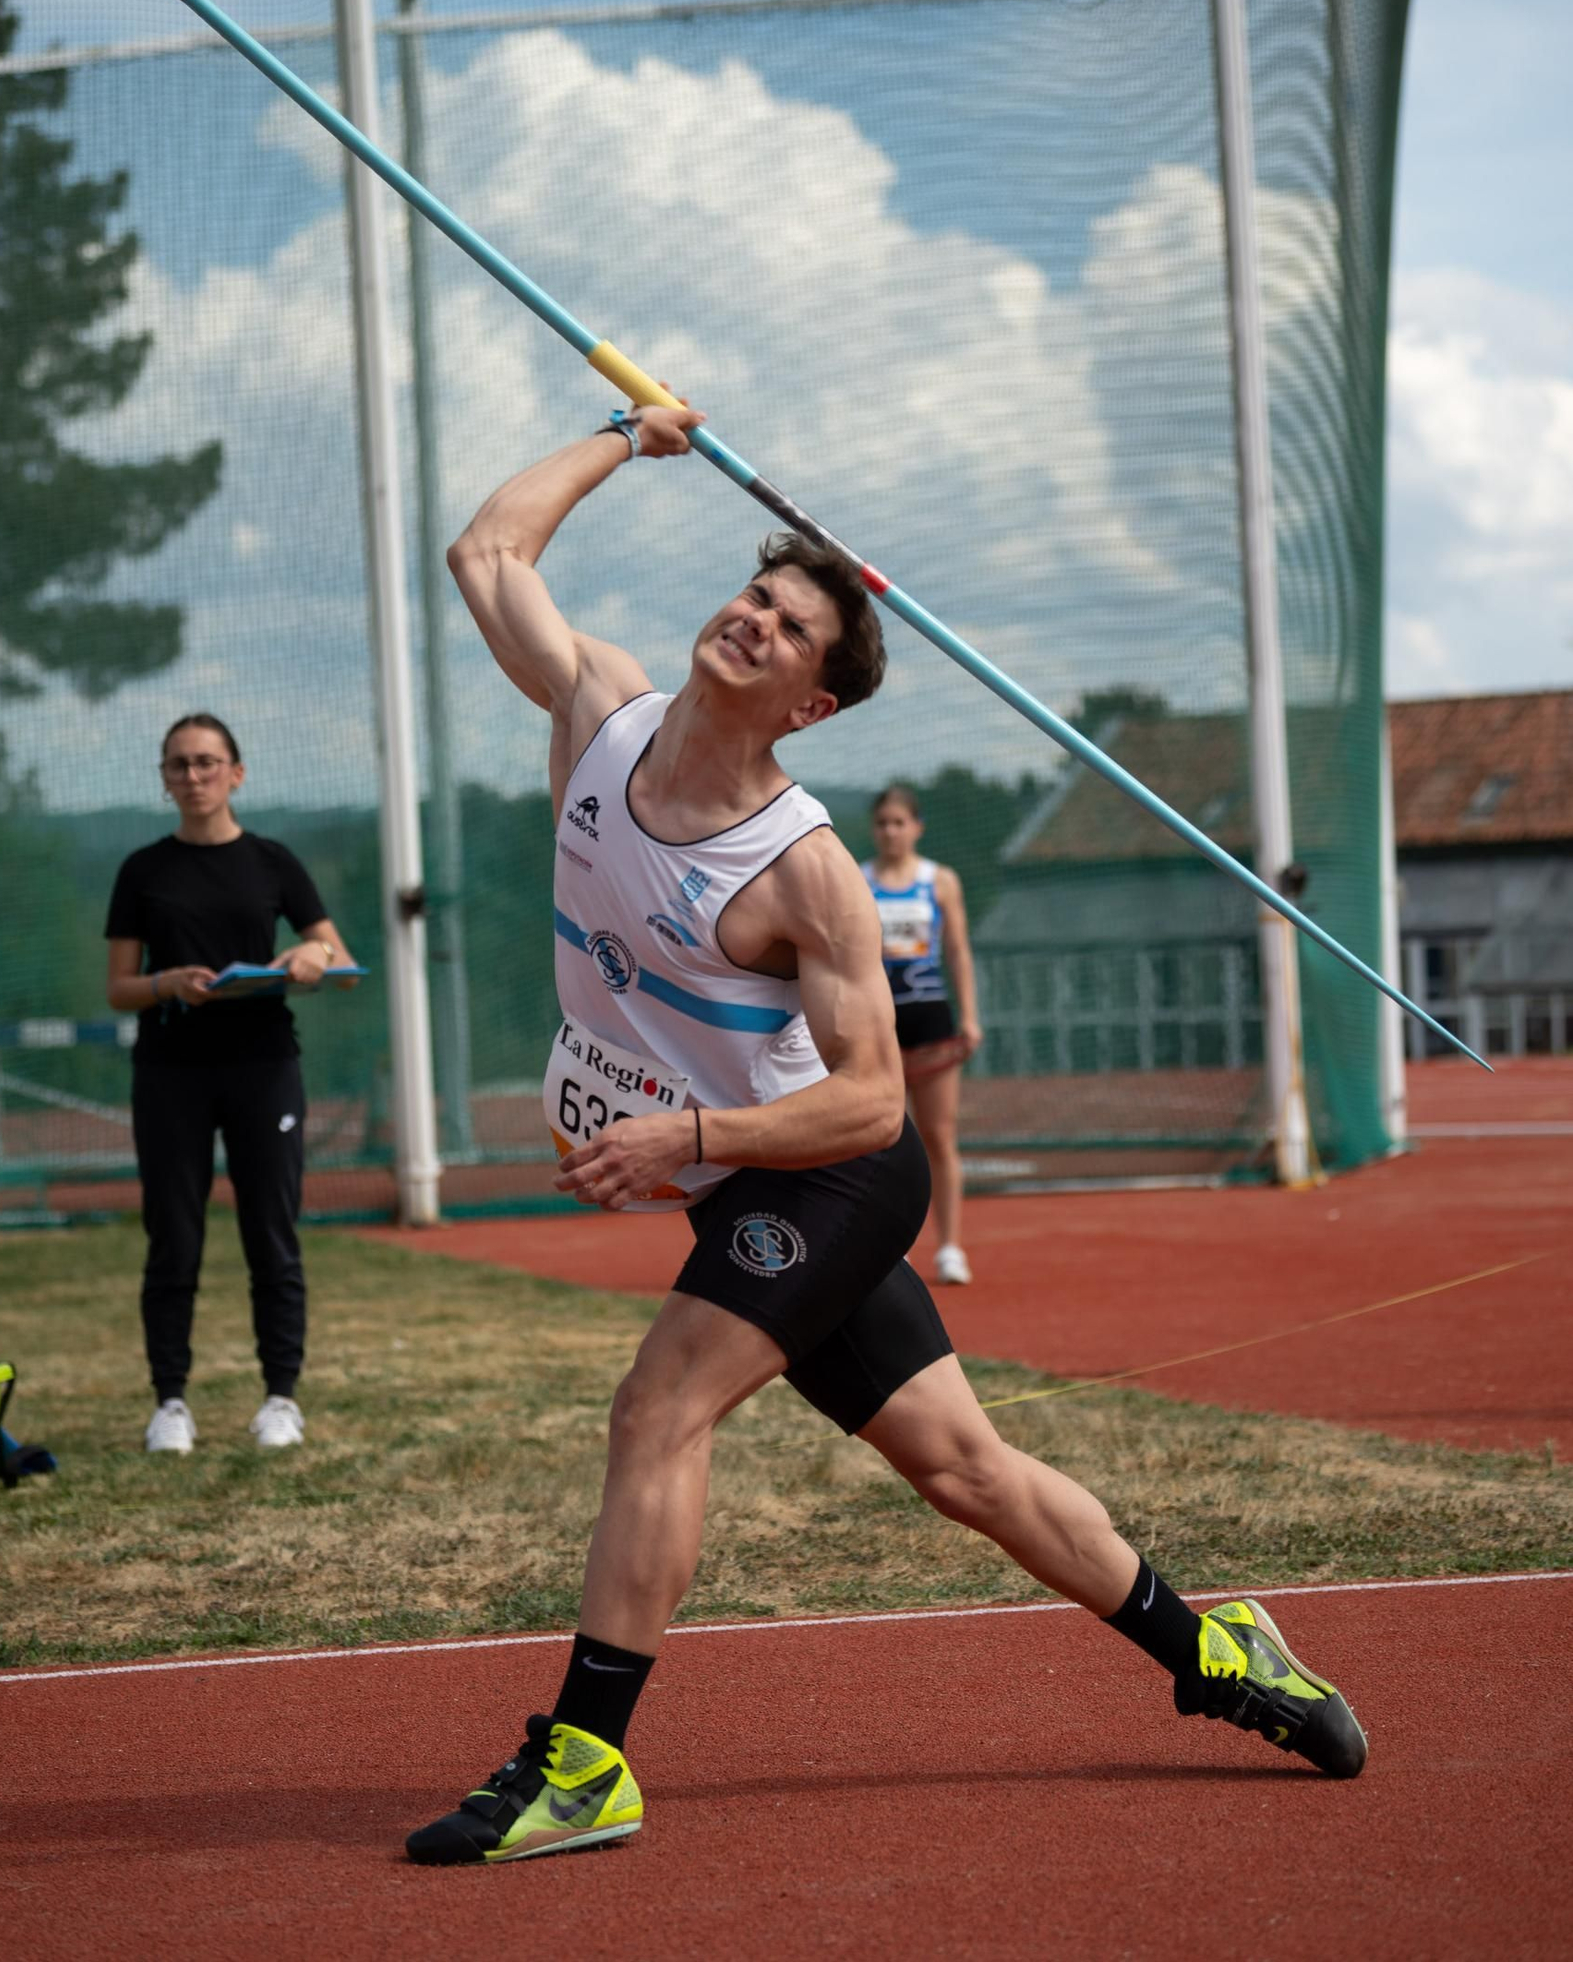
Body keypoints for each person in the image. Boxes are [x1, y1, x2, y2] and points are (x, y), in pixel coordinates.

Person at [407, 399, 1365, 1867]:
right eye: (754, 593)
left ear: (814, 703)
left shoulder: (809, 875)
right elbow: (488, 548)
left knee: (658, 1410)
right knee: (967, 1473)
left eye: (788, 628)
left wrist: (688, 1136)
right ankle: (1217, 1650)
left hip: (838, 1175)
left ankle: (589, 1763)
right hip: (740, 1175)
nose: (752, 619)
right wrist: (624, 434)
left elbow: (870, 1103)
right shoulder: (595, 707)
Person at [105, 713, 355, 1457]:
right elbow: (118, 987)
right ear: (164, 778)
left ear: (236, 774)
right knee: (173, 1239)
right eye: (179, 764)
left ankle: (280, 1398)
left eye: (208, 762)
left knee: (270, 1236)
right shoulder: (142, 870)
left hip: (264, 1068)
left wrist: (310, 957)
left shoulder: (274, 862)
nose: (193, 776)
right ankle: (170, 1405)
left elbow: (336, 960)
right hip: (170, 1073)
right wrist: (166, 983)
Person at [864, 784, 981, 1286]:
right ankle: (893, 1249)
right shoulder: (857, 878)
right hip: (877, 1023)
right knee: (883, 1138)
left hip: (930, 1019)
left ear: (917, 827)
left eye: (899, 822)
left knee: (938, 1136)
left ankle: (951, 1247)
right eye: (883, 823)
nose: (891, 831)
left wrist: (970, 1016)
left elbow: (957, 950)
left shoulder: (940, 880)